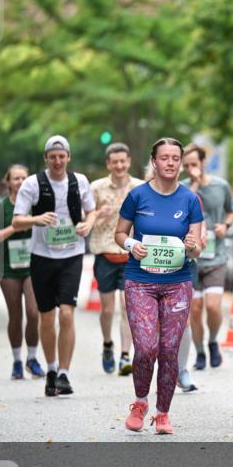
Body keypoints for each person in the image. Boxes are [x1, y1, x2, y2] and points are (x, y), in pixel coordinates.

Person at [115, 137, 204, 434]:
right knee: (146, 347)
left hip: (177, 282)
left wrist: (192, 246)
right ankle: (140, 401)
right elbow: (119, 233)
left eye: (174, 158)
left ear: (180, 162)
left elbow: (196, 248)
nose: (169, 163)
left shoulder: (190, 199)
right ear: (154, 161)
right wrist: (131, 244)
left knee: (169, 349)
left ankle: (162, 413)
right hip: (140, 280)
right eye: (164, 157)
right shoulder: (137, 196)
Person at [12, 135, 97, 397]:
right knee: (46, 316)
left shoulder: (80, 181)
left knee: (68, 314)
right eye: (53, 156)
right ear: (46, 159)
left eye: (62, 156)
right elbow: (17, 221)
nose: (58, 161)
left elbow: (92, 210)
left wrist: (88, 224)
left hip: (72, 256)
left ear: (68, 158)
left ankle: (64, 373)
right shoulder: (32, 184)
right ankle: (50, 370)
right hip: (42, 257)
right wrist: (37, 219)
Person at [89, 142, 143, 376]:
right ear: (108, 164)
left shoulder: (140, 188)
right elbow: (85, 219)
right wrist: (97, 215)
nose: (119, 165)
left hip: (130, 255)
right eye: (115, 162)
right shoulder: (96, 188)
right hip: (105, 254)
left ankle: (124, 355)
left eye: (123, 161)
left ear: (129, 162)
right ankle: (108, 344)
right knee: (107, 309)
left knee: (126, 306)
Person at [182, 143, 233, 374]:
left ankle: (213, 341)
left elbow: (232, 211)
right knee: (194, 309)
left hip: (216, 256)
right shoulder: (183, 188)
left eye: (194, 164)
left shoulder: (220, 185)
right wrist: (193, 184)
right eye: (187, 166)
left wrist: (225, 224)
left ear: (204, 162)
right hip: (191, 259)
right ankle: (200, 352)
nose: (190, 169)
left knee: (213, 307)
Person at [0, 164, 45, 380]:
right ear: (8, 182)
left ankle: (32, 358)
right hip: (9, 268)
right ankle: (17, 362)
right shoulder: (1, 207)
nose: (20, 182)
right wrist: (15, 226)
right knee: (15, 315)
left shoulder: (35, 204)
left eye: (24, 178)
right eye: (15, 178)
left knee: (33, 312)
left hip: (33, 266)